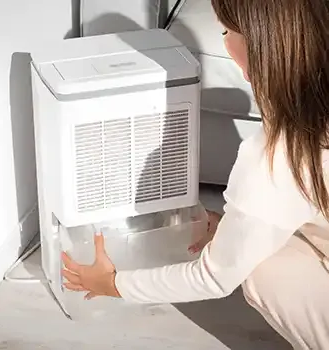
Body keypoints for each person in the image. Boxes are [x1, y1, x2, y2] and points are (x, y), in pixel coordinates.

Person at [61, 0, 329, 348]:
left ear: (257, 49)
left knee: (264, 271)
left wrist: (112, 283)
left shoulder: (278, 157)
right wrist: (239, 224)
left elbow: (213, 278)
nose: (224, 42)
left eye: (226, 31)